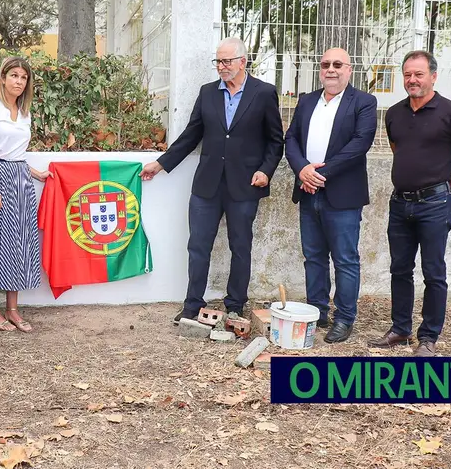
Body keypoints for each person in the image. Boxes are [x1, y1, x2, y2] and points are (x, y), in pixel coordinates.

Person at [141, 37, 284, 321]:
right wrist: (161, 164)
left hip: (245, 185)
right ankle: (193, 303)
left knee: (240, 247)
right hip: (207, 185)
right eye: (217, 61)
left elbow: (275, 141)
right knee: (198, 246)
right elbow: (191, 135)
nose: (221, 67)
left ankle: (234, 305)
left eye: (226, 61)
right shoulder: (207, 92)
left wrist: (265, 171)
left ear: (243, 62)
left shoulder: (264, 92)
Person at [368, 50, 451, 356]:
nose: (412, 80)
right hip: (399, 205)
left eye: (418, 74)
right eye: (407, 74)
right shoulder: (394, 113)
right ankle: (400, 329)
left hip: (434, 205)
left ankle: (428, 337)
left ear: (433, 76)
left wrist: (438, 189)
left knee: (433, 271)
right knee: (399, 269)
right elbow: (398, 150)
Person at [283, 48, 378, 344]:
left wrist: (318, 175)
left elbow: (360, 144)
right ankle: (317, 310)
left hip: (342, 195)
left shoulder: (363, 102)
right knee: (313, 257)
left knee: (345, 259)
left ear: (349, 69)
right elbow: (292, 139)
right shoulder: (307, 100)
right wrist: (302, 170)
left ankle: (345, 318)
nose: (331, 70)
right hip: (308, 191)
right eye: (325, 64)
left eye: (338, 64)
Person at [0, 56, 51, 332]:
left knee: (19, 244)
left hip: (20, 180)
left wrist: (35, 173)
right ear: (3, 78)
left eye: (23, 77)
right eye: (13, 75)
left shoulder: (24, 112)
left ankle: (13, 309)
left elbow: (16, 153)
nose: (18, 81)